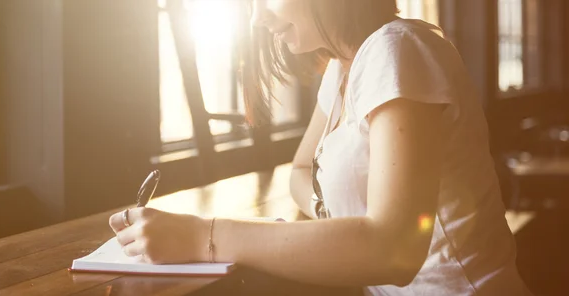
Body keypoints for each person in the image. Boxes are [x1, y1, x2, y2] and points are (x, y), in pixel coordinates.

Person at [109, 0, 533, 294]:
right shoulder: (341, 72)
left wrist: (205, 236)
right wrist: (337, 226)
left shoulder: (397, 49)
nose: (258, 18)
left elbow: (397, 250)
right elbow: (299, 172)